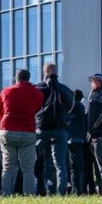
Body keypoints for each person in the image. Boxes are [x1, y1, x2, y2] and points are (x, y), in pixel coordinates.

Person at [0, 69, 44, 196]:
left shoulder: (6, 91)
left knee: (8, 166)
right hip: (28, 131)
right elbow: (37, 109)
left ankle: (6, 194)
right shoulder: (37, 93)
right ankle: (29, 195)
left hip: (8, 130)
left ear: (16, 78)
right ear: (29, 78)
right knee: (28, 168)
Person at [34, 62, 74, 196]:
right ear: (57, 73)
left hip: (42, 128)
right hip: (60, 129)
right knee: (60, 163)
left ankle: (40, 190)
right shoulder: (64, 89)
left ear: (44, 72)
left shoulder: (38, 88)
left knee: (38, 161)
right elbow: (71, 105)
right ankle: (60, 192)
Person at [66, 90, 88, 195]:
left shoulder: (70, 107)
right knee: (78, 166)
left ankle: (75, 190)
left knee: (72, 166)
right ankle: (79, 189)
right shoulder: (81, 108)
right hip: (79, 139)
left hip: (70, 139)